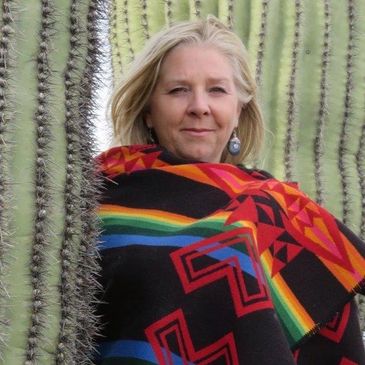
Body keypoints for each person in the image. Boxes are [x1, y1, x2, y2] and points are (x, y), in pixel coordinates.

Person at [95, 17, 365, 364]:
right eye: (178, 90)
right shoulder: (98, 195)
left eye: (217, 90)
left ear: (238, 109)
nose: (199, 106)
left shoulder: (275, 207)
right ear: (148, 110)